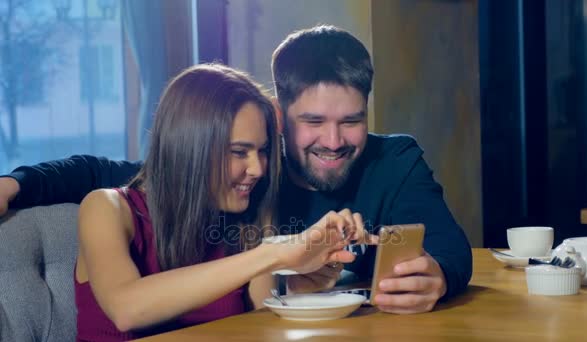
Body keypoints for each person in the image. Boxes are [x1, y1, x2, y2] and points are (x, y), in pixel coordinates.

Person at [0, 25, 472, 314]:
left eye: (350, 122)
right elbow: (104, 174)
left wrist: (437, 275)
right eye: (313, 122)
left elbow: (450, 246)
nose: (332, 140)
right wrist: (15, 183)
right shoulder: (236, 186)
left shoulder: (257, 196)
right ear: (280, 115)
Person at [25, 63, 373, 341]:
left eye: (263, 151)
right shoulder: (107, 209)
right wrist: (276, 253)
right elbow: (126, 308)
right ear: (190, 149)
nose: (257, 169)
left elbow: (257, 326)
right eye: (239, 152)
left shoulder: (244, 218)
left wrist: (305, 282)